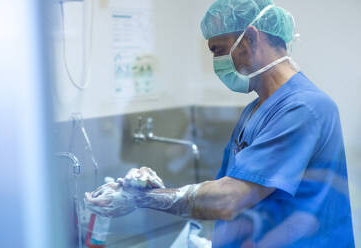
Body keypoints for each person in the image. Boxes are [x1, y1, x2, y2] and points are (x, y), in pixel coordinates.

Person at [85, 0, 355, 247]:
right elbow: (231, 190)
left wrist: (142, 198)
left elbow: (231, 198)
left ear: (250, 37)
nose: (217, 63)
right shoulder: (255, 109)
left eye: (219, 50)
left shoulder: (304, 108)